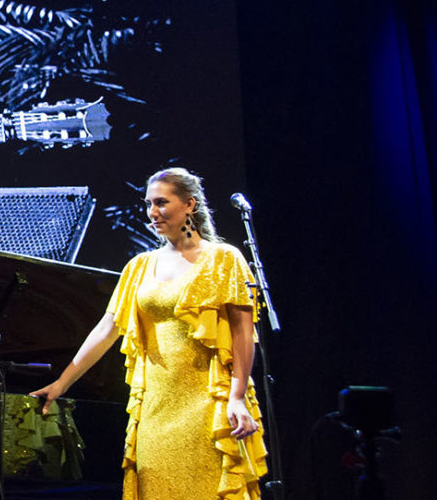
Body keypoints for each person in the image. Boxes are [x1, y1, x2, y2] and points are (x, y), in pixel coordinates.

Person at [30, 167, 268, 498]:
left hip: (208, 404)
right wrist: (62, 382)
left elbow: (244, 332)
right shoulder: (140, 266)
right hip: (156, 408)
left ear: (189, 205)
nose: (152, 213)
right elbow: (106, 329)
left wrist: (238, 396)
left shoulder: (224, 259)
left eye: (161, 203)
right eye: (148, 204)